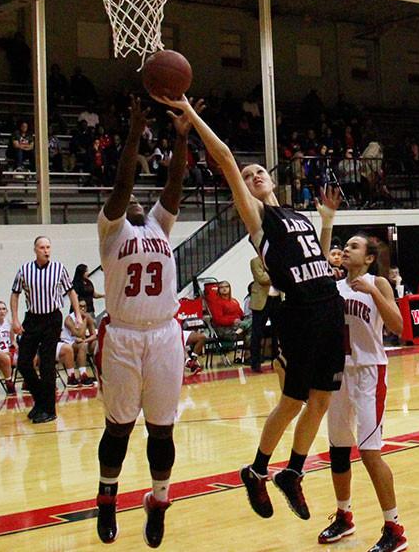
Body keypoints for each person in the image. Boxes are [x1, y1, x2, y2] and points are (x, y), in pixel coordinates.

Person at [157, 94, 347, 525]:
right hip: (298, 311)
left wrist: (327, 220)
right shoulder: (259, 217)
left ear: (271, 179)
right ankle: (257, 469)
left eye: (260, 170)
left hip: (328, 305)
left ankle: (292, 472)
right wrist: (192, 112)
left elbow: (317, 258)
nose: (255, 175)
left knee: (322, 399)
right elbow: (224, 157)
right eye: (248, 174)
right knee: (294, 399)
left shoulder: (295, 213)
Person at [94, 96, 199, 548]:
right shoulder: (111, 229)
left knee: (162, 427)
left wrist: (179, 139)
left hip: (163, 336)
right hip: (121, 337)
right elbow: (121, 186)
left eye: (141, 197)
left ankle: (158, 501)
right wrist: (134, 135)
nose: (136, 199)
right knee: (118, 426)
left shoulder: (159, 225)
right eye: (129, 198)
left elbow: (174, 185)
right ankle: (107, 497)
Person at [316, 188, 409, 552]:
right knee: (339, 450)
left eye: (354, 247)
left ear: (369, 258)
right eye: (346, 246)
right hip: (339, 373)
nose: (347, 250)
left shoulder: (378, 283)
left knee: (370, 451)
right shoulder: (335, 286)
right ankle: (344, 516)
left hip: (370, 373)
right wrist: (327, 220)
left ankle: (395, 528)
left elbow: (399, 326)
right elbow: (321, 259)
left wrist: (374, 294)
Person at [11, 236, 81, 424]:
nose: (46, 250)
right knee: (24, 362)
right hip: (32, 319)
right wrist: (15, 318)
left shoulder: (59, 268)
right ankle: (41, 400)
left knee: (47, 364)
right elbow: (15, 294)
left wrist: (79, 315)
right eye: (42, 247)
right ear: (35, 249)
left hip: (52, 318)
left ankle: (49, 409)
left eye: (48, 247)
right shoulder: (25, 270)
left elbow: (71, 291)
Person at [205, 281, 251, 363]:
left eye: (226, 286)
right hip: (224, 330)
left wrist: (245, 319)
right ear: (218, 290)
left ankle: (249, 355)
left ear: (230, 288)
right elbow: (217, 319)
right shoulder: (216, 303)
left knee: (252, 324)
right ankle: (248, 356)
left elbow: (241, 314)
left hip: (238, 326)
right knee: (250, 328)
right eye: (222, 287)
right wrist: (233, 320)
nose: (224, 289)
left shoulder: (234, 301)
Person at [57, 299, 97, 388]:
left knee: (95, 344)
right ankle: (83, 375)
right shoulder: (69, 319)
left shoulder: (87, 317)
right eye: (80, 306)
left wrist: (85, 341)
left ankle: (99, 372)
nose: (83, 309)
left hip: (80, 342)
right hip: (68, 343)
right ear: (75, 307)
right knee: (82, 346)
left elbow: (94, 335)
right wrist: (85, 319)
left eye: (84, 306)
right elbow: (79, 334)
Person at [249, 256, 279, 372]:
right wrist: (278, 274)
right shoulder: (255, 261)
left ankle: (276, 361)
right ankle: (255, 363)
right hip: (261, 301)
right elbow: (261, 278)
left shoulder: (278, 259)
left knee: (278, 332)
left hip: (277, 299)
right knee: (257, 333)